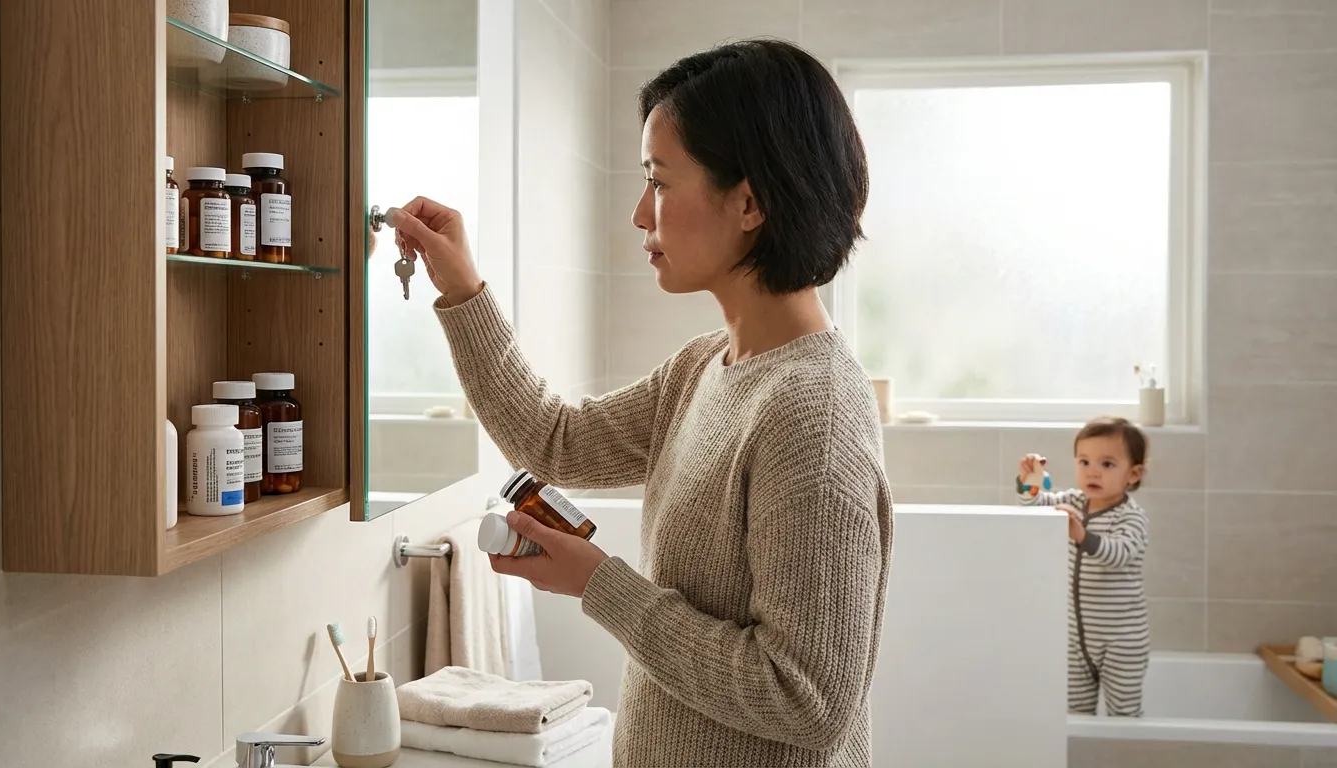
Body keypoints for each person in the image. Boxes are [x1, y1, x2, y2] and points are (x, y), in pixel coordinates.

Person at [385, 38, 892, 768]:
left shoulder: (815, 416)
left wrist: (600, 583)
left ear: (750, 202)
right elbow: (554, 441)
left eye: (658, 182)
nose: (637, 213)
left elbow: (804, 698)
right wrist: (463, 288)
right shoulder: (704, 368)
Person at [1017, 416, 1151, 717]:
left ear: (1133, 474)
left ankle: (1123, 745)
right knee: (1074, 715)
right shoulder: (1074, 501)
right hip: (1077, 640)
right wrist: (1030, 481)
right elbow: (1033, 507)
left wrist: (1081, 535)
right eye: (1084, 462)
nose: (1093, 471)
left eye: (1107, 464)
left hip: (1122, 642)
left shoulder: (1131, 517)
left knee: (1124, 713)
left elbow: (1120, 553)